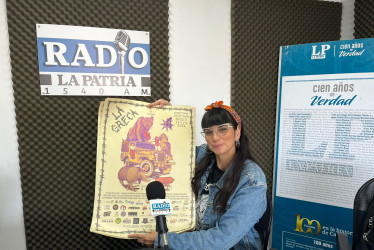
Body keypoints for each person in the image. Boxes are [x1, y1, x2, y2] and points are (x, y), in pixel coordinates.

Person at [129, 99, 267, 249]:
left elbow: (220, 240)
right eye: (209, 132)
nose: (215, 137)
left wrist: (164, 239)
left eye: (222, 129)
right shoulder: (203, 155)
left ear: (237, 132)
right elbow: (175, 147)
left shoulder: (252, 181)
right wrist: (168, 114)